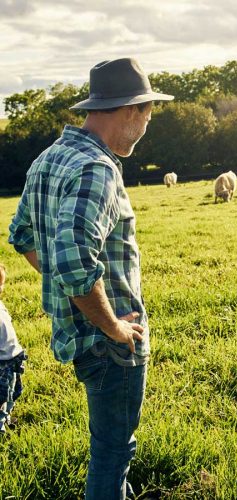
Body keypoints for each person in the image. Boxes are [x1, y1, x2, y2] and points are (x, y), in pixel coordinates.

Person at [8, 58, 174, 499]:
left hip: (77, 334)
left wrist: (66, 287)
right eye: (148, 114)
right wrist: (113, 325)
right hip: (109, 343)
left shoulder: (51, 157)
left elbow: (21, 233)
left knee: (110, 445)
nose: (146, 126)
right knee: (113, 451)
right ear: (130, 110)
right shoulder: (97, 169)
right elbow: (74, 261)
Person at [0, 264, 27, 434]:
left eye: (1, 284)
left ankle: (6, 416)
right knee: (1, 396)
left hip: (12, 359)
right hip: (2, 364)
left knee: (11, 393)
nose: (1, 289)